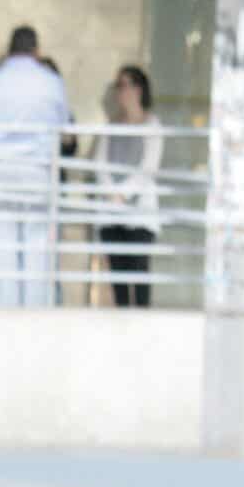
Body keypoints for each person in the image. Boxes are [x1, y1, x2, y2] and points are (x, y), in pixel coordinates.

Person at [0, 27, 73, 307]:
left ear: (9, 49)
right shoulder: (51, 82)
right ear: (36, 51)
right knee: (38, 246)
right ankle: (34, 313)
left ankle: (7, 311)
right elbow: (66, 130)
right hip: (38, 170)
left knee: (2, 244)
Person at [96, 64, 165, 309]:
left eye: (125, 85)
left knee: (139, 271)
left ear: (139, 89)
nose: (121, 92)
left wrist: (123, 194)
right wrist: (111, 194)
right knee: (119, 280)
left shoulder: (152, 125)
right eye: (118, 86)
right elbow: (101, 164)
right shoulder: (110, 126)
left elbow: (148, 166)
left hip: (140, 215)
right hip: (112, 215)